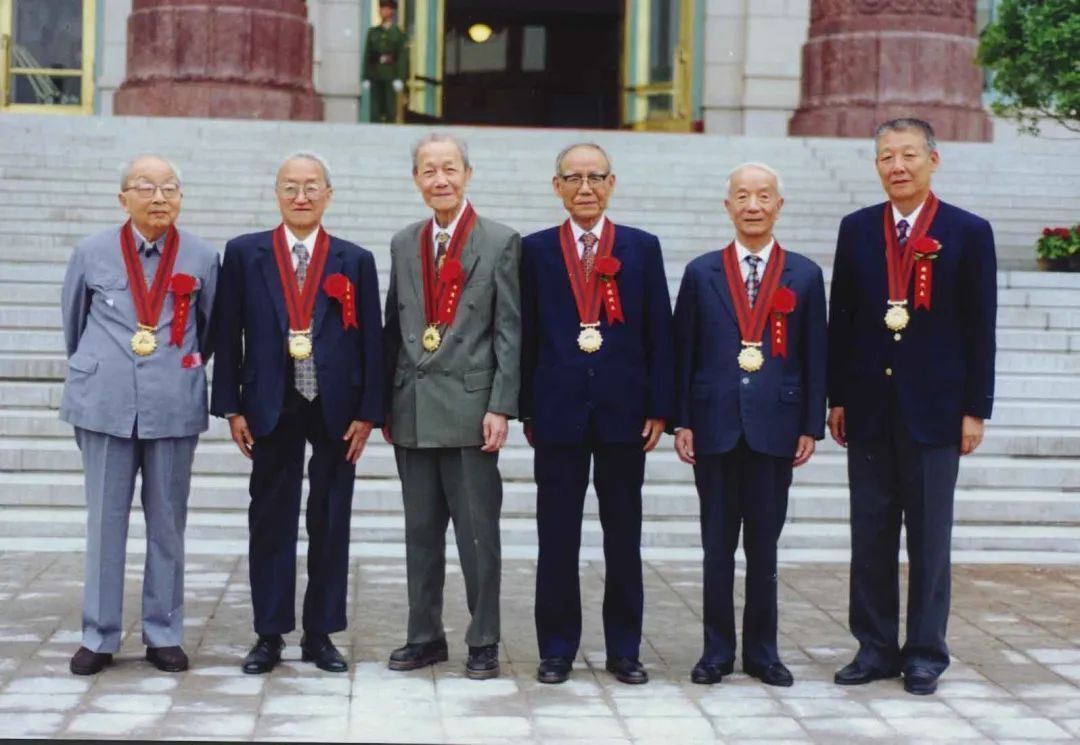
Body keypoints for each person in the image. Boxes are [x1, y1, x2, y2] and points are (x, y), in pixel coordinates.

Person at [828, 118, 996, 695]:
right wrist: (837, 397)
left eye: (907, 155)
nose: (896, 166)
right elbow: (842, 318)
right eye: (885, 157)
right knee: (870, 534)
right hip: (869, 408)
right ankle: (874, 647)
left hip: (936, 410)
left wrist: (975, 409)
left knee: (929, 537)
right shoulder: (856, 229)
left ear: (933, 159)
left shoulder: (968, 231)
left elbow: (980, 326)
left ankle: (925, 652)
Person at [211, 152, 383, 675]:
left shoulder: (354, 259)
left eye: (311, 187)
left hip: (336, 406)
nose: (301, 196)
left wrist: (369, 411)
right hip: (270, 400)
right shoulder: (245, 253)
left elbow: (372, 340)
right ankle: (269, 633)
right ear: (277, 194)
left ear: (328, 194)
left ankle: (320, 633)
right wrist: (231, 406)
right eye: (291, 187)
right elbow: (227, 332)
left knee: (330, 518)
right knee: (270, 518)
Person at [519, 143, 673, 685]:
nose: (585, 188)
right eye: (574, 178)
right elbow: (525, 332)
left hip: (623, 414)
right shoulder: (535, 250)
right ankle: (557, 649)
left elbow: (659, 330)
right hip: (557, 412)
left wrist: (659, 408)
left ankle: (624, 649)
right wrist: (527, 408)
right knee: (557, 537)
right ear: (556, 186)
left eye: (595, 177)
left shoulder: (641, 247)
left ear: (612, 183)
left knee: (623, 537)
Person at [60, 155, 219, 675]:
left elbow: (209, 329)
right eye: (146, 187)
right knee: (104, 522)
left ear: (181, 197)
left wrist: (177, 369)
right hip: (104, 404)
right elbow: (74, 323)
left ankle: (163, 633)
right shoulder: (91, 252)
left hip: (172, 404)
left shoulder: (201, 256)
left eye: (169, 188)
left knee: (168, 523)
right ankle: (99, 635)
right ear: (122, 198)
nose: (159, 197)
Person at [672, 163, 826, 687]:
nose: (753, 205)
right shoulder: (702, 273)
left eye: (763, 196)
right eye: (742, 196)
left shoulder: (804, 274)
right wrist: (682, 421)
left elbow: (815, 353)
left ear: (779, 205)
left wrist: (809, 424)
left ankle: (763, 652)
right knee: (716, 547)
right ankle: (716, 651)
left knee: (764, 546)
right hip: (713, 425)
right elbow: (684, 350)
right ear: (728, 206)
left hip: (775, 427)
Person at [383, 133, 520, 680]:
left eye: (449, 169)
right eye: (429, 170)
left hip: (470, 409)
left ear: (467, 174)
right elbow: (392, 327)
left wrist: (501, 405)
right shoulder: (403, 242)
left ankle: (483, 638)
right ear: (416, 179)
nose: (440, 179)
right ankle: (424, 636)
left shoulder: (500, 241)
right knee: (420, 533)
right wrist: (383, 403)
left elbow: (509, 331)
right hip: (413, 406)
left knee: (477, 535)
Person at [362, 0, 408, 124]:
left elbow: (402, 57)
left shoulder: (398, 34)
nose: (382, 11)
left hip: (390, 74)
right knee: (375, 111)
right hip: (375, 74)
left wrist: (400, 78)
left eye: (386, 8)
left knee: (390, 109)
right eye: (381, 8)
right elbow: (368, 55)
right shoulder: (373, 32)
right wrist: (366, 77)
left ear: (392, 11)